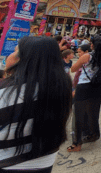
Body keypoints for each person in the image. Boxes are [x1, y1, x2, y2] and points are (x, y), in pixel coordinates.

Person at [0, 37, 72, 171]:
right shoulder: (61, 85)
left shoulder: (6, 92)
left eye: (16, 51)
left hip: (7, 164)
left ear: (22, 60)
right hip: (44, 163)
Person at [69, 35, 101, 152]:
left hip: (84, 86)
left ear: (92, 45)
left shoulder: (87, 56)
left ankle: (77, 143)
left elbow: (73, 69)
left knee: (79, 113)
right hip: (97, 87)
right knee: (93, 111)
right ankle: (92, 134)